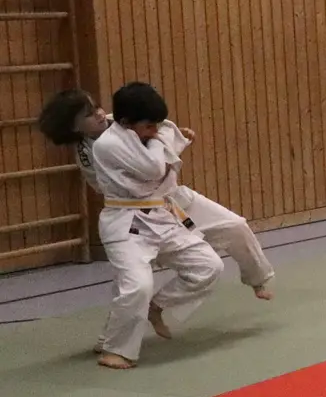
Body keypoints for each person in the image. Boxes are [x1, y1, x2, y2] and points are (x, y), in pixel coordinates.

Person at [38, 89, 275, 304]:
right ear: (74, 127)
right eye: (89, 114)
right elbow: (107, 187)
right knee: (132, 281)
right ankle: (117, 332)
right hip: (138, 216)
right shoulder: (87, 157)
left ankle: (257, 277)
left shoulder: (121, 120)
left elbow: (157, 128)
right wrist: (144, 169)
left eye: (96, 107)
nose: (99, 114)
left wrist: (175, 136)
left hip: (173, 198)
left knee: (235, 226)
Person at [75, 83, 225, 369]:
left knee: (209, 267)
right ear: (125, 123)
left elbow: (171, 133)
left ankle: (158, 306)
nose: (155, 130)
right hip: (124, 224)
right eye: (148, 126)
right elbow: (155, 168)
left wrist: (162, 135)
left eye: (156, 124)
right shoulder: (109, 144)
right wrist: (164, 141)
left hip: (160, 216)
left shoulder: (151, 132)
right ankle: (115, 350)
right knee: (137, 286)